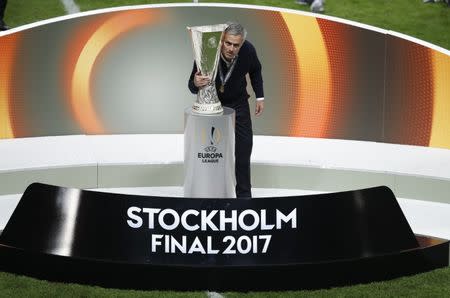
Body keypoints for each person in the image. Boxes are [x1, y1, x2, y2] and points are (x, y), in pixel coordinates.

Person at [188, 22, 264, 198]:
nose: (231, 48)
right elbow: (191, 85)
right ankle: (207, 192)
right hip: (212, 105)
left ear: (242, 43)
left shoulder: (248, 50)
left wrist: (260, 96)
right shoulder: (207, 51)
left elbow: (256, 70)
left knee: (244, 148)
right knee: (209, 150)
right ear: (222, 40)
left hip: (238, 102)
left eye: (236, 45)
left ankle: (244, 197)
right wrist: (195, 83)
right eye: (228, 43)